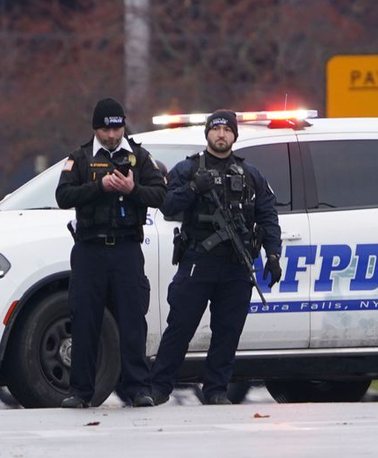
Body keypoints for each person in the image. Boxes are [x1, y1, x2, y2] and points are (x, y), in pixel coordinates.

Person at [148, 110, 283, 406]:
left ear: (235, 135)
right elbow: (168, 206)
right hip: (198, 260)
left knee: (228, 330)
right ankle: (159, 387)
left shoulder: (251, 174)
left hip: (236, 264)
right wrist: (195, 187)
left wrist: (273, 254)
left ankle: (216, 390)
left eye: (227, 130)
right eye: (216, 129)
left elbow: (268, 215)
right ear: (207, 134)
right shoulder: (187, 169)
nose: (221, 134)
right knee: (180, 326)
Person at [55, 97, 167, 409]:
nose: (113, 135)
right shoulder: (79, 158)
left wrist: (133, 191)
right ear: (96, 129)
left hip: (127, 249)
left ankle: (137, 388)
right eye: (106, 129)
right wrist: (100, 187)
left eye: (117, 128)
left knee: (133, 319)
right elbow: (63, 195)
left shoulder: (139, 158)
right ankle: (80, 391)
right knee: (85, 320)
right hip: (90, 249)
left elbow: (160, 194)